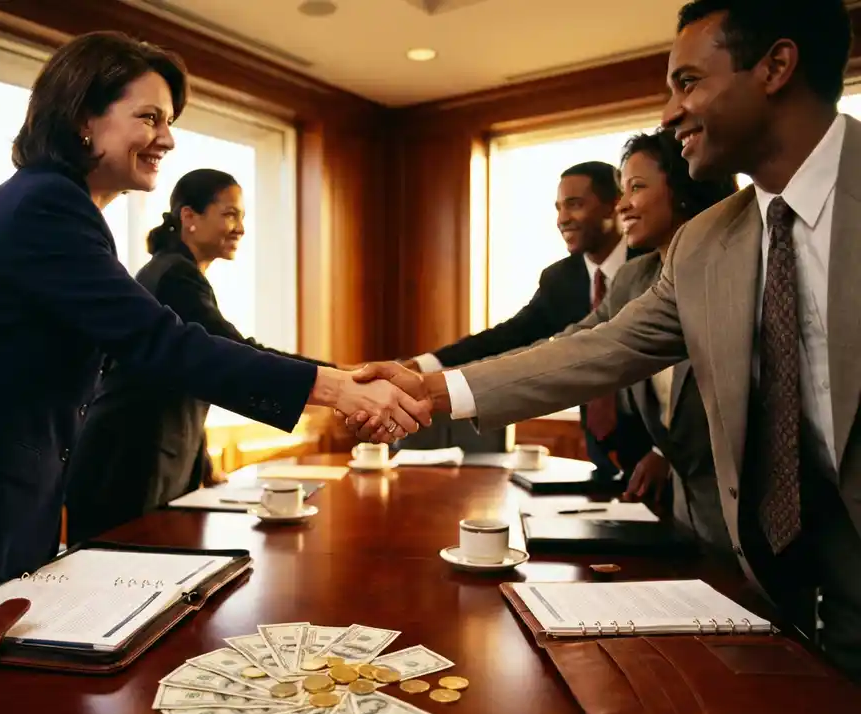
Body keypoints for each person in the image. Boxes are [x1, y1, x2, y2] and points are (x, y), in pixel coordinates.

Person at [0, 31, 428, 655]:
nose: (167, 139)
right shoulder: (45, 206)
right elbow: (161, 341)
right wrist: (336, 386)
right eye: (149, 118)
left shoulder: (67, 210)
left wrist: (338, 379)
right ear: (82, 119)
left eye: (168, 121)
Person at [358, 0, 861, 677]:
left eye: (688, 82)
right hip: (780, 578)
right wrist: (428, 387)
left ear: (775, 66)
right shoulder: (709, 244)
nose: (667, 113)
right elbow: (598, 347)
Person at [64, 169, 337, 543]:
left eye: (242, 217)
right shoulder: (175, 277)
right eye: (229, 214)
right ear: (189, 217)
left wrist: (204, 464)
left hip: (144, 464)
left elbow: (192, 372)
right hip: (129, 467)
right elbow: (233, 354)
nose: (240, 227)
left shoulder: (177, 272)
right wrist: (339, 379)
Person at [545, 128, 738, 546]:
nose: (623, 204)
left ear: (684, 187)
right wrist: (448, 383)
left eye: (636, 187)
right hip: (685, 518)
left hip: (752, 522)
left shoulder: (739, 274)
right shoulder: (636, 277)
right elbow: (573, 347)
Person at [401, 161, 654, 479]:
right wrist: (423, 365)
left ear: (613, 204)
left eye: (575, 205)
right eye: (559, 208)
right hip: (601, 452)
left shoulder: (653, 265)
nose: (562, 219)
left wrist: (663, 451)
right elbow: (511, 335)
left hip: (665, 451)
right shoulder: (560, 278)